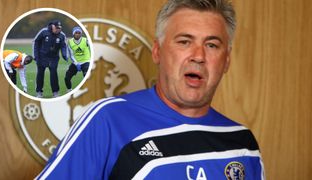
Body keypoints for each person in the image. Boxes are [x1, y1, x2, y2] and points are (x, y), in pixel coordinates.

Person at [36, 0, 265, 179]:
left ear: (226, 61)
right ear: (157, 52)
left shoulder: (242, 143)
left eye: (212, 45)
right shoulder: (107, 120)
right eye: (184, 41)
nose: (198, 56)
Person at [33, 20, 68, 98]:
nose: (58, 30)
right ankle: (39, 92)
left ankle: (55, 92)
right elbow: (36, 42)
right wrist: (35, 56)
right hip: (42, 57)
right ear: (53, 26)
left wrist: (64, 55)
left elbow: (63, 46)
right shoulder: (44, 31)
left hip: (54, 58)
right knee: (40, 74)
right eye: (57, 28)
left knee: (53, 74)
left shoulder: (62, 35)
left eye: (60, 28)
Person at [65, 26, 91, 92]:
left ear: (81, 34)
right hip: (76, 62)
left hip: (86, 61)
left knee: (86, 75)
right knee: (67, 77)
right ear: (73, 34)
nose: (77, 34)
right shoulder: (70, 42)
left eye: (79, 33)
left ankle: (88, 90)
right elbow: (71, 55)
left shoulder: (86, 40)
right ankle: (69, 90)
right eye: (76, 32)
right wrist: (76, 64)